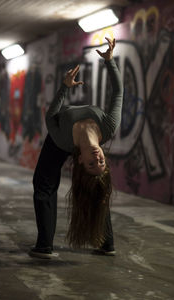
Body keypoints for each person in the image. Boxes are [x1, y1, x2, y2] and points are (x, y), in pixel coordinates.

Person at [29, 37, 123, 259]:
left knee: (43, 185)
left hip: (59, 141)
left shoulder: (61, 139)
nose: (97, 158)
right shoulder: (108, 128)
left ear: (80, 160)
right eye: (101, 162)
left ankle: (44, 246)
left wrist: (64, 87)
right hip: (70, 137)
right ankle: (106, 244)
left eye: (92, 163)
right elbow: (118, 93)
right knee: (98, 186)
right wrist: (110, 62)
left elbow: (51, 116)